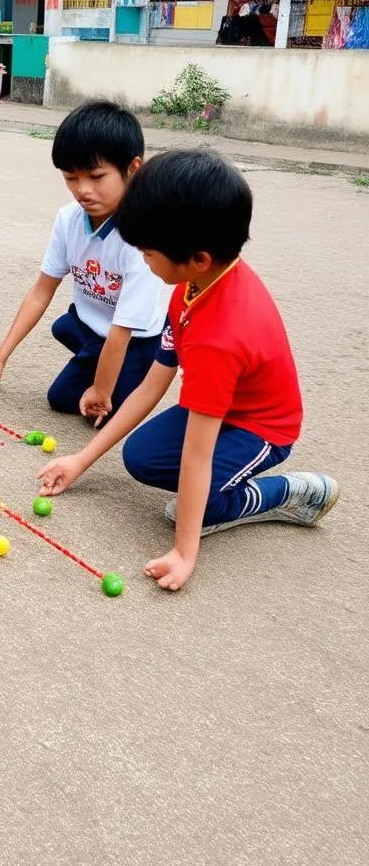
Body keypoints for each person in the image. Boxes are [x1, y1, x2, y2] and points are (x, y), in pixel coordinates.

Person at [38, 150, 339, 591]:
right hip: (218, 409)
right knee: (139, 458)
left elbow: (197, 453)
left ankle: (284, 493)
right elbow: (149, 386)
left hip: (261, 429)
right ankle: (209, 500)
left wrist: (184, 551)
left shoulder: (221, 335)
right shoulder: (194, 285)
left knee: (193, 509)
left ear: (197, 257)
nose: (141, 261)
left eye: (148, 252)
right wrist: (81, 460)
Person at [0, 102, 166, 425]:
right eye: (71, 178)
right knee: (62, 388)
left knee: (95, 410)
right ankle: (96, 356)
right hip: (95, 328)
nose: (83, 190)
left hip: (137, 338)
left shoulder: (142, 238)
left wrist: (101, 390)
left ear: (133, 168)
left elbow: (121, 332)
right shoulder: (68, 219)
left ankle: (142, 371)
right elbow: (41, 292)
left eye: (96, 177)